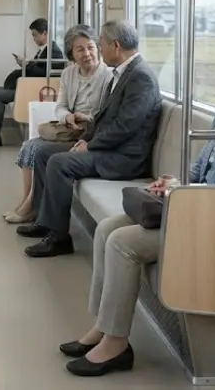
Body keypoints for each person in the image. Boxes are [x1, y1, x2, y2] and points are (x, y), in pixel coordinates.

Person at [60, 21, 215, 377]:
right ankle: (103, 326)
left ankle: (116, 344)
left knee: (124, 242)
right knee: (108, 228)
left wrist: (187, 197)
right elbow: (201, 170)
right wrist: (177, 183)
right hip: (197, 210)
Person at [17, 20, 162, 257]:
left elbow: (125, 127)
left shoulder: (140, 77)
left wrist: (90, 144)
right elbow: (109, 120)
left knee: (59, 163)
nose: (99, 51)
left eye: (100, 45)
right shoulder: (124, 73)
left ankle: (59, 238)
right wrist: (86, 139)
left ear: (115, 46)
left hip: (125, 158)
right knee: (43, 153)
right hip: (110, 149)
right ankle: (45, 221)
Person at [3, 24, 112, 223]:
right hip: (69, 128)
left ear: (98, 48)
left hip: (89, 132)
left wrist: (85, 118)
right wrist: (68, 117)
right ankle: (28, 202)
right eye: (80, 50)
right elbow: (60, 106)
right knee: (29, 146)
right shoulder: (68, 74)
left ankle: (30, 206)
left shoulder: (108, 77)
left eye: (90, 47)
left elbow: (106, 115)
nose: (87, 53)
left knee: (38, 149)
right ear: (72, 54)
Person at [0, 18, 65, 147]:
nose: (34, 39)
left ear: (45, 33)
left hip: (35, 90)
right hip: (30, 86)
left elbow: (43, 74)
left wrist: (27, 65)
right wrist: (26, 64)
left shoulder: (53, 51)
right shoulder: (44, 50)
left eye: (35, 35)